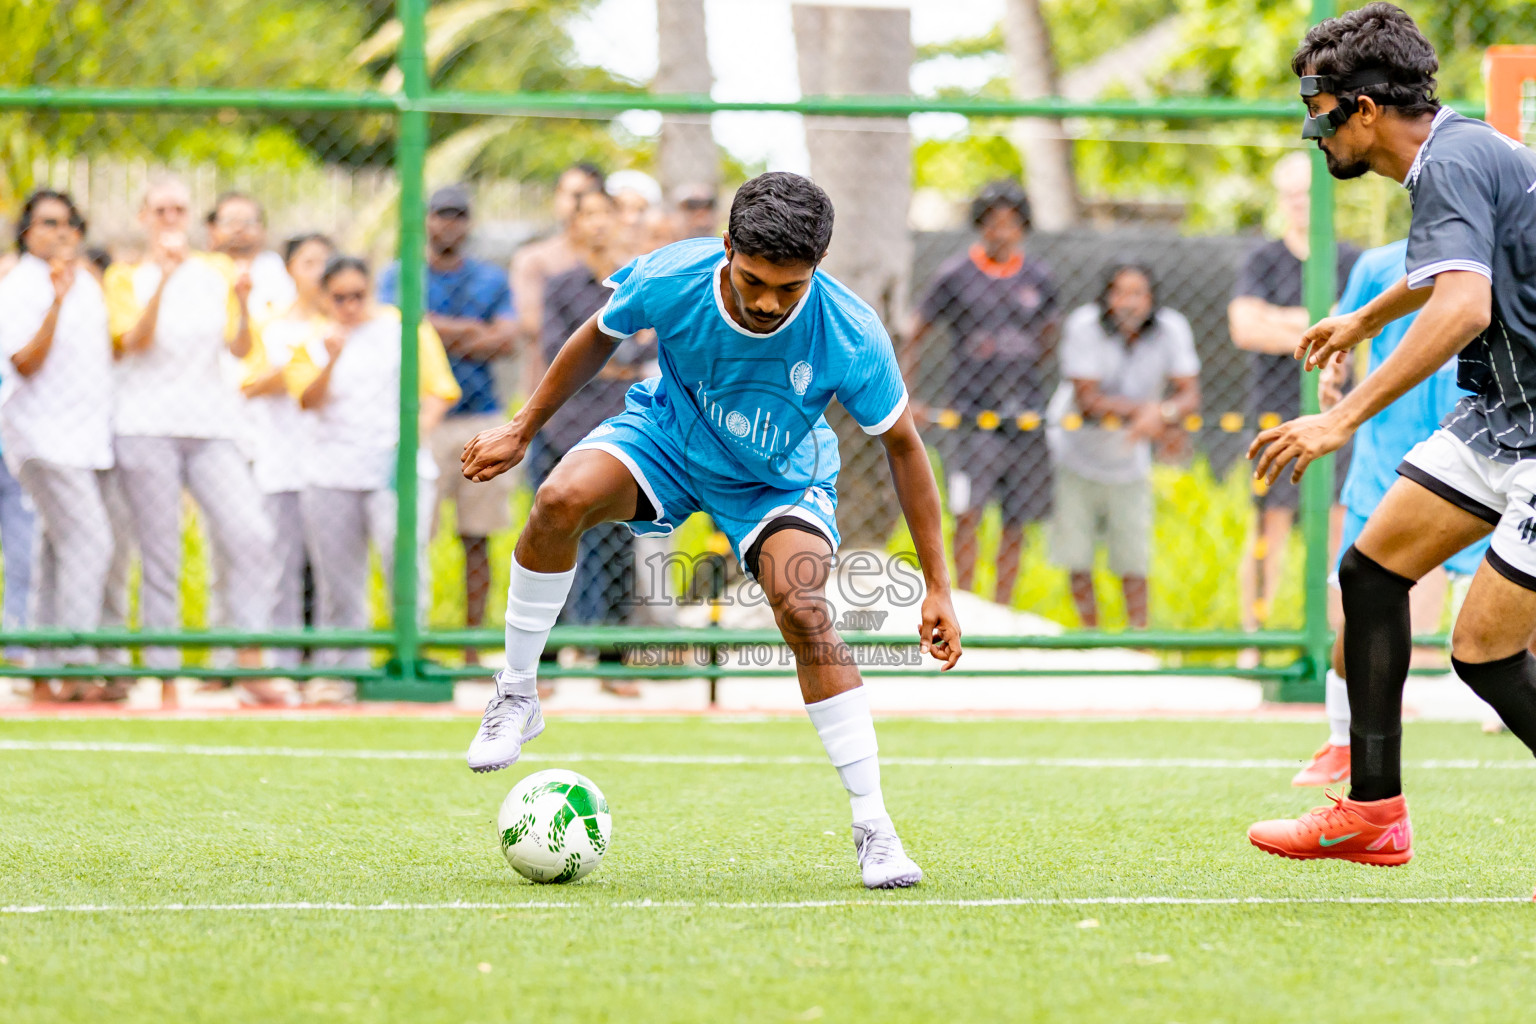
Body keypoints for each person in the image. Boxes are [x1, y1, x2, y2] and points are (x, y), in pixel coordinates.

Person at [461, 172, 963, 889]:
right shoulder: (675, 275)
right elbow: (596, 336)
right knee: (558, 500)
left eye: (788, 289)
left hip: (778, 480)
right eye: (754, 280)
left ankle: (874, 828)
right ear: (726, 246)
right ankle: (516, 693)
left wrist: (938, 585)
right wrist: (523, 427)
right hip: (668, 439)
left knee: (804, 608)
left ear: (816, 269)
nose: (766, 302)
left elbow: (906, 448)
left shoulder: (850, 333)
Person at [1249, 2, 1536, 866]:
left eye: (1321, 109)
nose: (1314, 130)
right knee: (1372, 573)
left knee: (1485, 652)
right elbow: (1444, 267)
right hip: (1503, 421)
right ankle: (1373, 814)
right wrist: (1360, 316)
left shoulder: (1453, 159)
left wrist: (1339, 417)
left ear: (1365, 111)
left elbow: (1462, 303)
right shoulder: (1460, 149)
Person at [1288, 240, 1494, 786]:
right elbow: (1348, 333)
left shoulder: (1499, 255)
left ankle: (1496, 704)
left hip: (1478, 455)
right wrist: (1333, 375)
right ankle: (1339, 739)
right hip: (1389, 457)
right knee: (1363, 594)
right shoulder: (1380, 265)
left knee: (1502, 608)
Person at [103, 178, 279, 701]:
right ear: (143, 217)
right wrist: (165, 278)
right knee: (160, 554)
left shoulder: (218, 273)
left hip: (212, 426)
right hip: (145, 427)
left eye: (178, 208)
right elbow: (131, 342)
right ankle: (164, 679)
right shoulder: (123, 277)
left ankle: (251, 664)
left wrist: (243, 303)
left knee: (250, 534)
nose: (170, 217)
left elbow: (242, 346)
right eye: (160, 209)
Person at [288, 256, 459, 681]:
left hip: (393, 468)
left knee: (402, 561)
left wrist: (415, 434)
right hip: (332, 469)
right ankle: (343, 672)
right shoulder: (310, 339)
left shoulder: (404, 329)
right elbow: (307, 400)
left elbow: (439, 390)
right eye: (339, 297)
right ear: (324, 298)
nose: (349, 305)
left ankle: (410, 660)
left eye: (358, 296)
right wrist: (331, 358)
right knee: (338, 579)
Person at [378, 185, 517, 664]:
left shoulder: (490, 278)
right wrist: (470, 332)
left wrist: (433, 328)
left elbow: (505, 340)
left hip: (481, 418)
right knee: (413, 536)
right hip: (421, 419)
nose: (449, 225)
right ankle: (411, 643)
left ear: (469, 222)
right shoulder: (399, 275)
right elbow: (394, 329)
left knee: (477, 537)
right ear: (426, 220)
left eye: (459, 215)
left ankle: (472, 648)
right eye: (441, 215)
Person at [1229, 153, 1360, 654]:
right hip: (1274, 413)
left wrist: (1280, 322)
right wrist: (1319, 324)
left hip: (1336, 414)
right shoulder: (1262, 259)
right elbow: (1245, 327)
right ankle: (1253, 641)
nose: (1299, 205)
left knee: (1338, 532)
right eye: (1290, 195)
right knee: (1269, 526)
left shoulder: (1349, 259)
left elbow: (1355, 327)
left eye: (1307, 194)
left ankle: (1336, 645)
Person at [904, 180, 1058, 604]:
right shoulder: (956, 274)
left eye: (1010, 223)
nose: (1001, 232)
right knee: (967, 511)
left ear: (1023, 228)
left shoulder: (1039, 277)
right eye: (992, 223)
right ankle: (966, 603)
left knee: (1017, 518)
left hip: (1024, 416)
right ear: (980, 226)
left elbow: (1049, 335)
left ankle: (1002, 607)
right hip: (971, 417)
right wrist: (908, 396)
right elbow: (916, 332)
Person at [531, 188, 656, 698]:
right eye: (589, 216)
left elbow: (649, 344)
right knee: (553, 541)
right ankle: (550, 660)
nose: (599, 224)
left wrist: (610, 358)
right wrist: (615, 359)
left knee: (618, 546)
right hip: (567, 428)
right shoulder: (560, 286)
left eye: (607, 213)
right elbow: (561, 351)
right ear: (575, 225)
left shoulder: (640, 281)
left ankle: (612, 660)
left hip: (628, 428)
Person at [0, 189, 114, 693]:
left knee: (55, 547)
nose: (60, 231)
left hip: (84, 437)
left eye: (69, 223)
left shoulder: (85, 281)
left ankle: (43, 662)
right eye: (48, 222)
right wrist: (56, 302)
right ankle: (75, 660)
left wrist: (73, 288)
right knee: (92, 542)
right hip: (41, 436)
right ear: (28, 231)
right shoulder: (21, 285)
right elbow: (22, 362)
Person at [1046, 264, 1201, 629]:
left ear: (1152, 298)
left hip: (1128, 458)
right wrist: (1149, 413)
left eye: (1138, 293)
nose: (1129, 303)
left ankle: (1138, 638)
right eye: (1120, 292)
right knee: (1076, 553)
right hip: (1076, 452)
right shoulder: (1084, 326)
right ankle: (1091, 636)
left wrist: (1162, 413)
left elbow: (1190, 394)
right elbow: (1088, 399)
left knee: (1133, 555)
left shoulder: (1171, 329)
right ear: (1106, 297)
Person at [244, 234, 335, 672]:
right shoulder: (272, 325)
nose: (318, 271)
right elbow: (251, 382)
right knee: (283, 569)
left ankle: (325, 664)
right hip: (282, 462)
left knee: (329, 570)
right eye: (308, 261)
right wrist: (300, 371)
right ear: (289, 270)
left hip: (332, 464)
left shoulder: (343, 325)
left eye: (325, 262)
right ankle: (282, 664)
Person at [511, 163, 606, 391]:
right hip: (551, 393)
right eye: (575, 195)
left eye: (590, 193)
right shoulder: (535, 259)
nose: (580, 203)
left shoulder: (618, 261)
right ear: (558, 198)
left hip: (611, 395)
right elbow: (534, 326)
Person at [205, 192, 295, 321]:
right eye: (229, 221)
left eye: (248, 222)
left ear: (262, 229)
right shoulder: (201, 269)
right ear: (212, 228)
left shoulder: (273, 268)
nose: (238, 228)